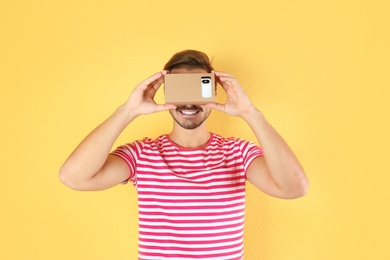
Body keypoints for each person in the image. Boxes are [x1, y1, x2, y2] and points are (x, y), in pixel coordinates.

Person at [59, 50, 309, 260]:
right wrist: (128, 110)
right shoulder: (142, 153)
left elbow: (295, 188)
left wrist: (251, 113)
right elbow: (73, 177)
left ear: (212, 90)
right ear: (167, 92)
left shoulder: (238, 152)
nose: (188, 103)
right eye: (180, 89)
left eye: (199, 87)